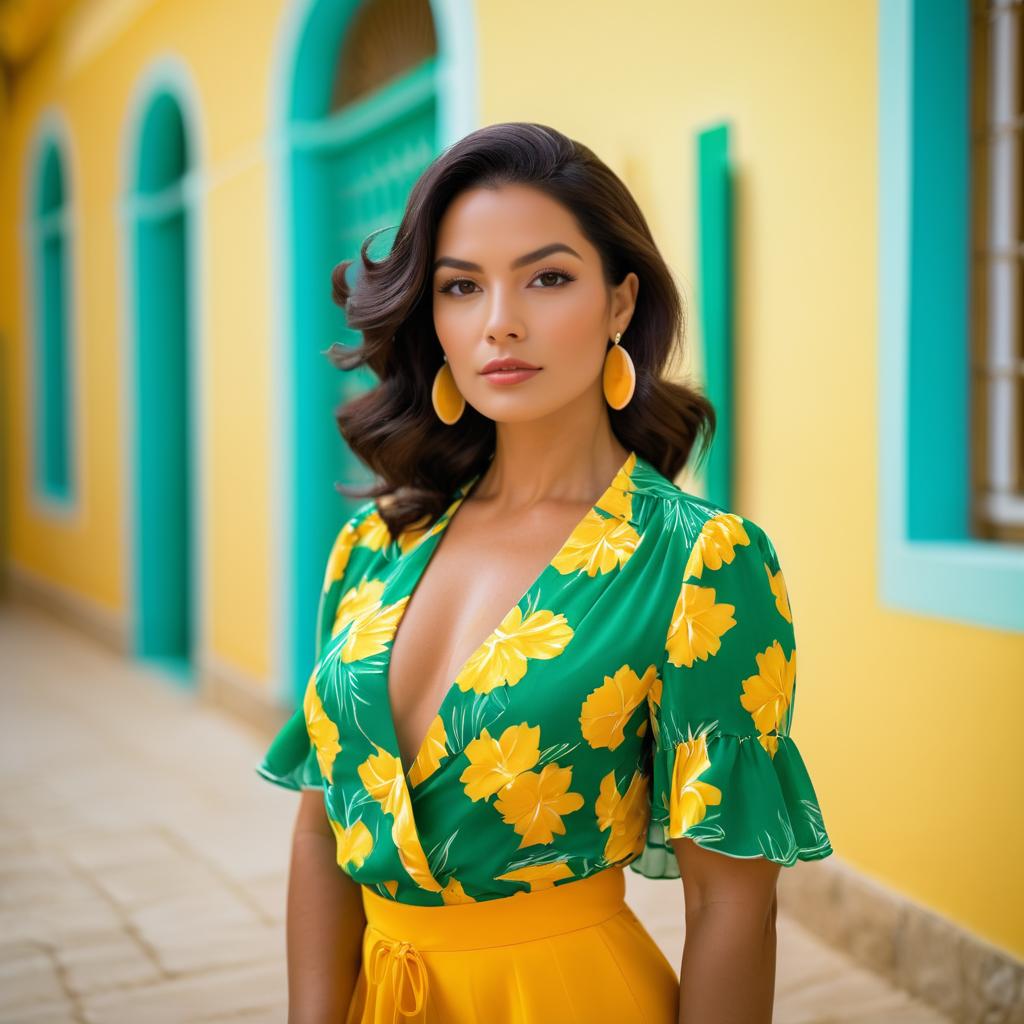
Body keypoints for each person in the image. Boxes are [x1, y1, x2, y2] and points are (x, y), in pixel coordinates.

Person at [256, 121, 834, 1024]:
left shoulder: (698, 563)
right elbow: (325, 824)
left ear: (619, 304)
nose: (501, 323)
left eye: (549, 278)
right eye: (461, 287)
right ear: (432, 315)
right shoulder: (374, 545)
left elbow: (733, 905)